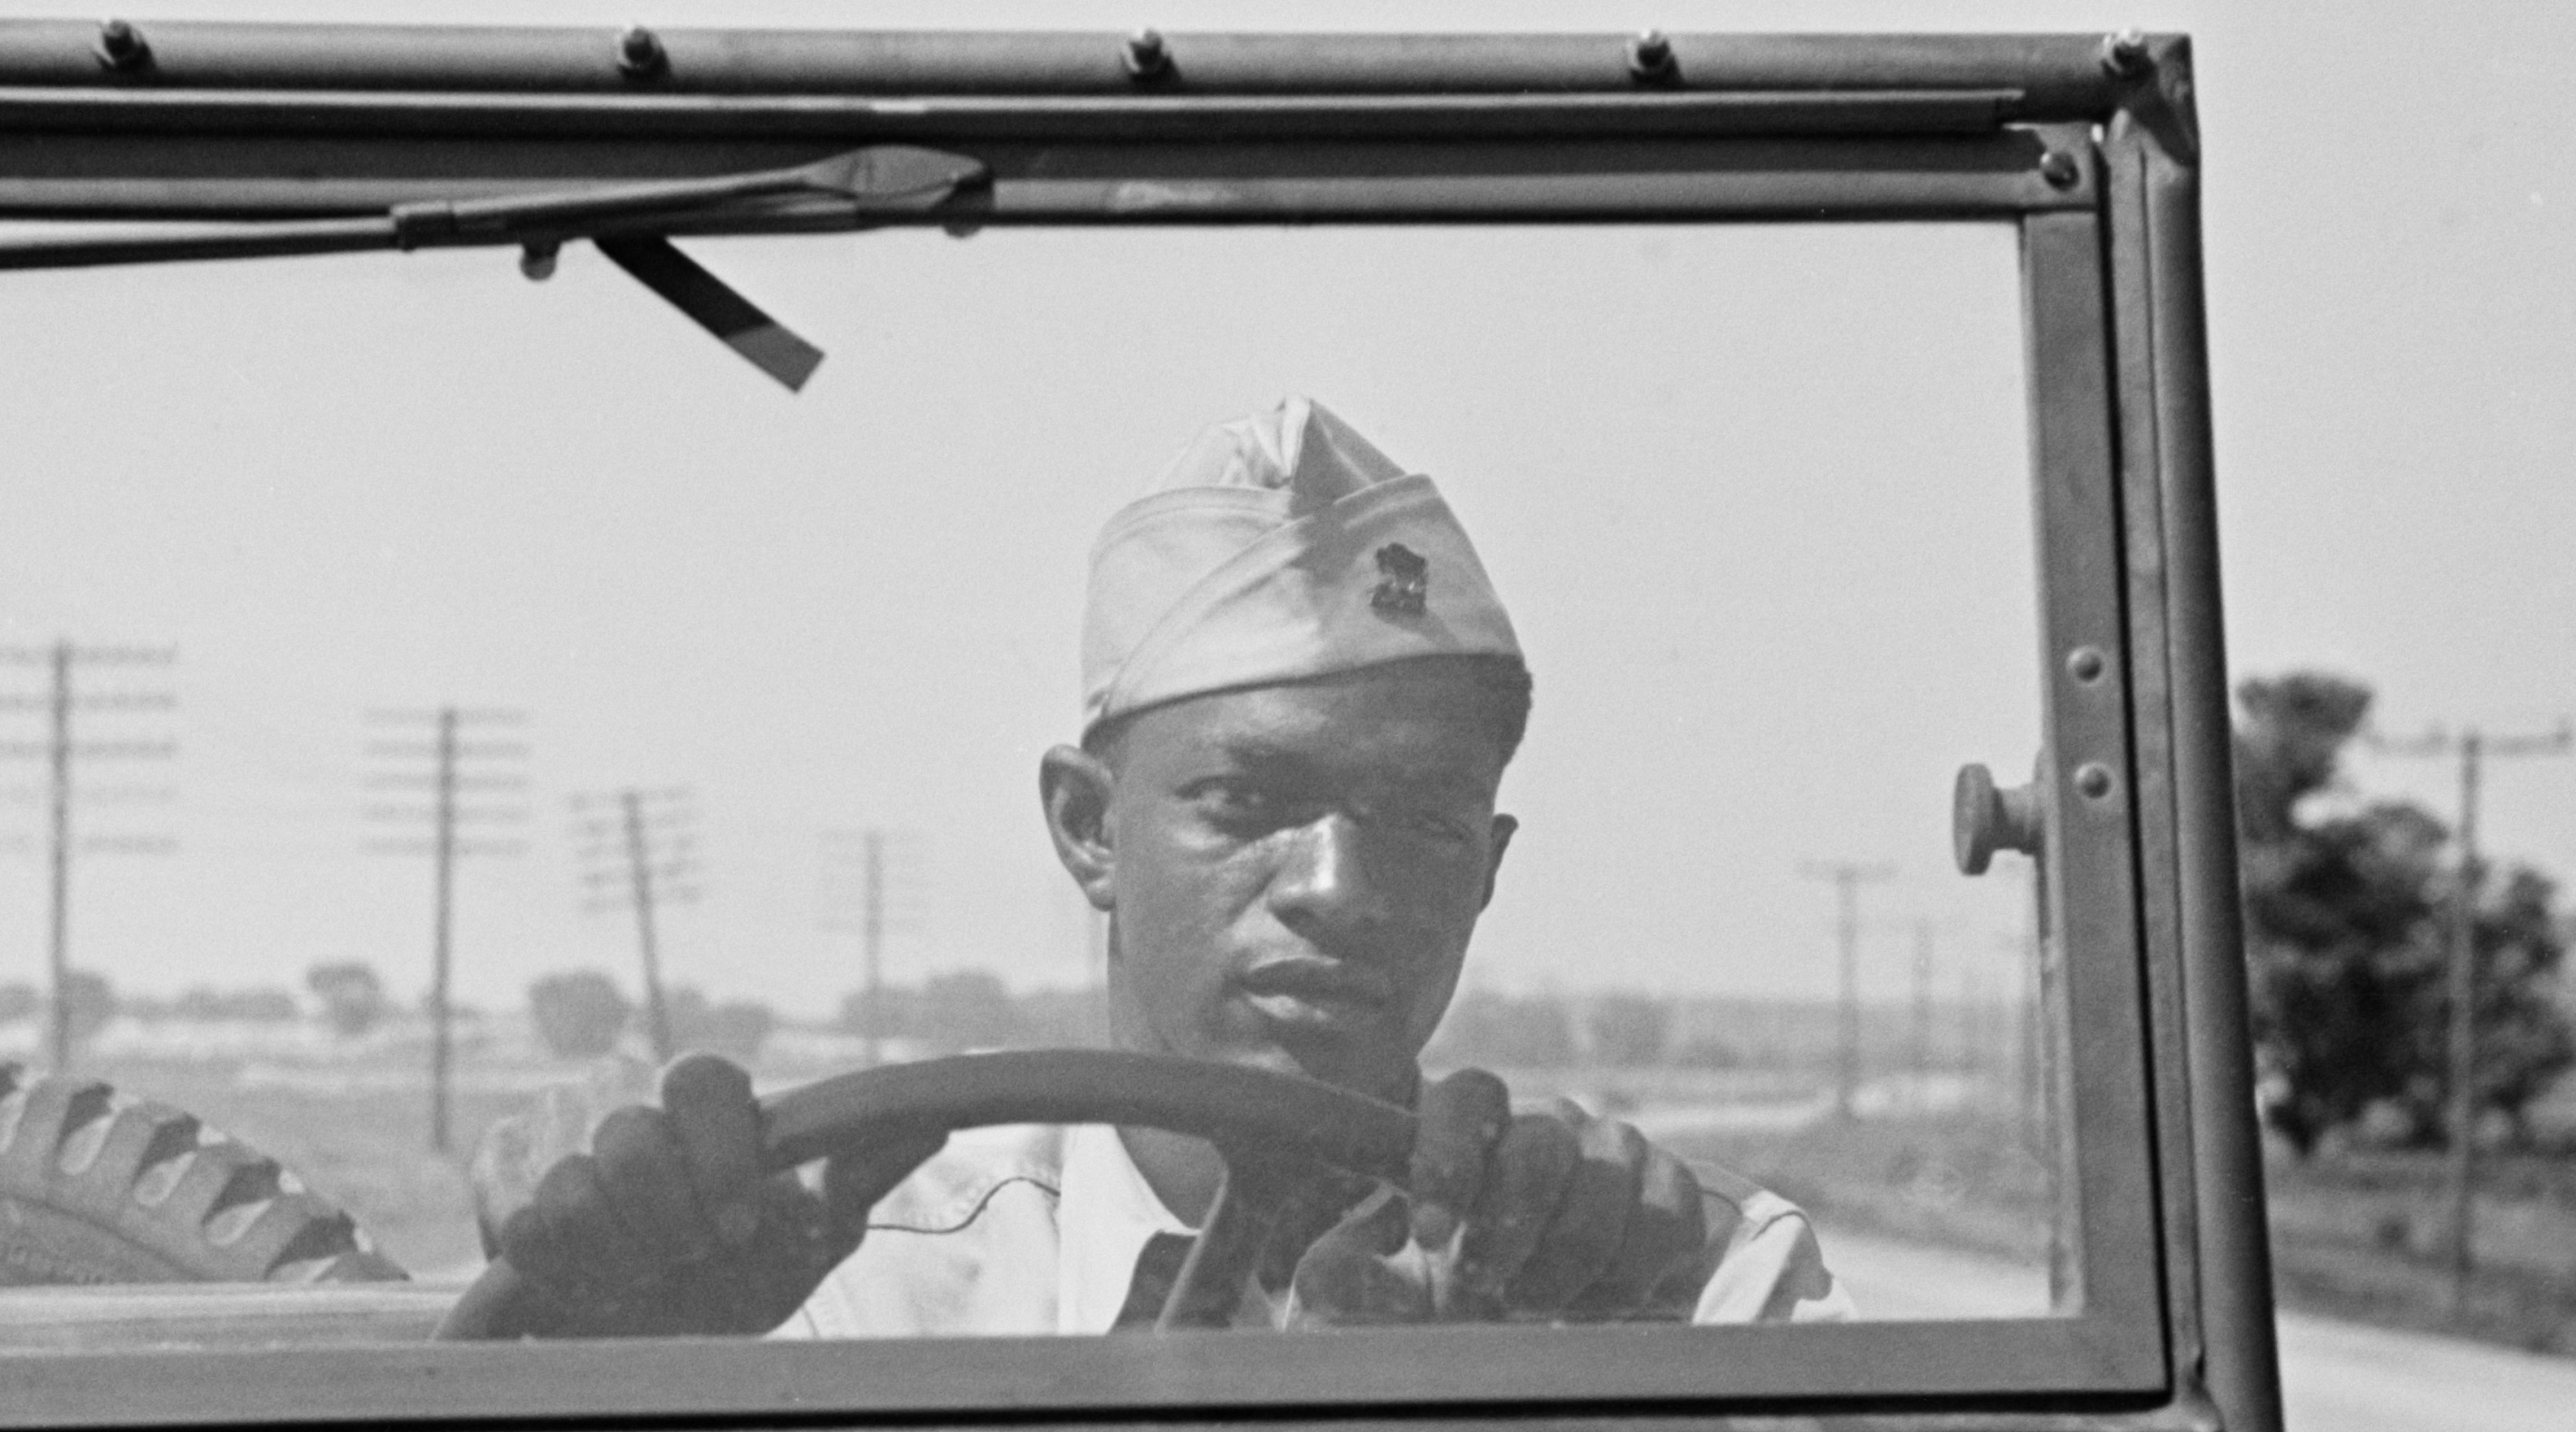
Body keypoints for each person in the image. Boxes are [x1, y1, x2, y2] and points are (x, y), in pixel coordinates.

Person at [471, 398, 1849, 1337]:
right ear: (1089, 828)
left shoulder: (1672, 1277)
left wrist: (1619, 1372)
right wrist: (623, 1347)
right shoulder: (847, 1278)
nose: (1337, 888)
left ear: (1487, 870)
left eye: (1424, 823)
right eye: (1247, 802)